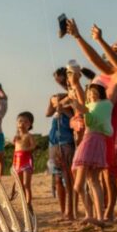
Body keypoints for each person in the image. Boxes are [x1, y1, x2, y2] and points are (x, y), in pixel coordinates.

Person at [65, 18, 117, 221]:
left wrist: (101, 41)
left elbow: (109, 61)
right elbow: (96, 59)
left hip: (110, 128)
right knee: (98, 174)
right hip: (95, 127)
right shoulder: (109, 74)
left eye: (116, 51)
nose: (110, 54)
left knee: (111, 171)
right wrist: (78, 36)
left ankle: (113, 212)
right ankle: (101, 212)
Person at [66, 71, 112, 228]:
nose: (91, 95)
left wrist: (75, 102)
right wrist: (75, 98)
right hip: (88, 139)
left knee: (92, 181)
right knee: (84, 183)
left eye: (94, 92)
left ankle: (97, 217)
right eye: (90, 93)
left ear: (101, 93)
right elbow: (85, 110)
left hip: (94, 140)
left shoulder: (105, 105)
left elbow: (89, 112)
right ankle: (91, 215)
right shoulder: (90, 106)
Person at [46, 67, 76, 221]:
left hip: (66, 140)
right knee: (57, 178)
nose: (60, 83)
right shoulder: (60, 96)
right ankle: (63, 211)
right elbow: (47, 113)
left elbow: (75, 117)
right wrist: (54, 101)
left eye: (61, 79)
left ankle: (71, 212)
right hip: (54, 142)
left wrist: (64, 107)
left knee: (68, 178)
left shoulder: (74, 94)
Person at [10, 112, 36, 211]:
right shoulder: (17, 136)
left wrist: (27, 149)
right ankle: (24, 202)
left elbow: (33, 146)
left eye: (25, 122)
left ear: (30, 125)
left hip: (26, 160)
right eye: (20, 121)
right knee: (20, 184)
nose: (22, 123)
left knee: (26, 184)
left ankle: (29, 203)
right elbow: (15, 147)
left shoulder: (28, 135)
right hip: (17, 161)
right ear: (17, 123)